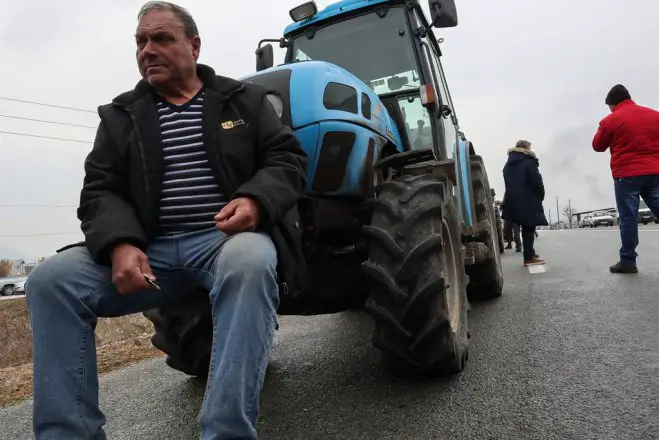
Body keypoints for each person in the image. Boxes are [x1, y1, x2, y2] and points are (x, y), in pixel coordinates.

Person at [24, 2, 308, 439]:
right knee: (50, 281)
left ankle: (226, 432)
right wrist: (119, 243)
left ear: (193, 46)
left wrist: (255, 199)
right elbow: (100, 191)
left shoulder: (243, 100)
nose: (148, 50)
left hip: (224, 243)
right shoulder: (120, 117)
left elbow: (286, 159)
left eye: (161, 39)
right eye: (141, 42)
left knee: (250, 261)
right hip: (150, 251)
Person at [592, 84, 659, 274]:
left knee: (629, 218)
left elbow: (597, 145)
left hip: (627, 176)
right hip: (655, 172)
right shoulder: (655, 115)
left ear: (613, 104)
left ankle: (628, 261)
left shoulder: (611, 120)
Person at [501, 140, 548, 266]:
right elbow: (537, 181)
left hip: (513, 200)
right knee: (528, 227)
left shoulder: (508, 165)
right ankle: (528, 258)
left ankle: (530, 252)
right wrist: (541, 195)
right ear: (526, 148)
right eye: (530, 147)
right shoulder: (529, 161)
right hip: (528, 199)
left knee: (523, 227)